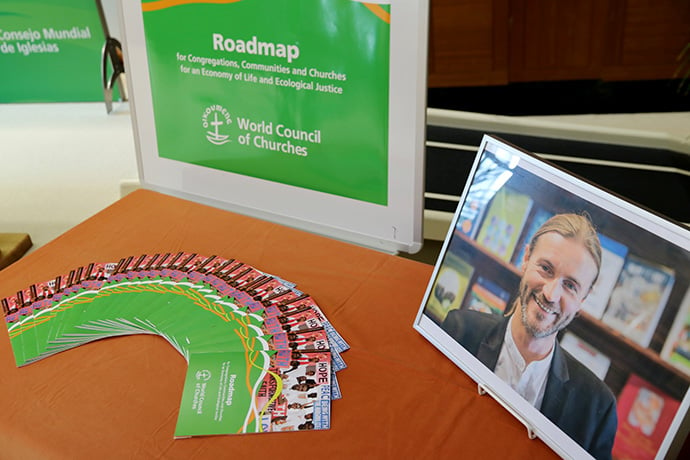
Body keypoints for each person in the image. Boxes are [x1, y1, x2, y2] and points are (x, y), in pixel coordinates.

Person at [442, 213, 617, 460]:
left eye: (570, 286)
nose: (551, 293)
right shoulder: (459, 331)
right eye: (546, 269)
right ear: (526, 259)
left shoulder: (597, 408)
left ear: (582, 301)